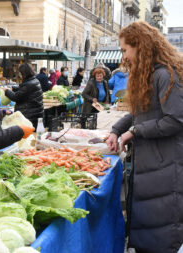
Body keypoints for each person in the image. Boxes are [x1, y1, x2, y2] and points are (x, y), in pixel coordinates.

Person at [106, 21, 183, 253]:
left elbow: (176, 120)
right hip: (153, 164)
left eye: (124, 50)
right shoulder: (151, 74)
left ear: (140, 46)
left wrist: (136, 131)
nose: (124, 56)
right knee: (148, 228)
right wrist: (116, 130)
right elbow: (139, 112)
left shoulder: (166, 75)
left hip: (166, 165)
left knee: (161, 232)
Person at [3, 63, 44, 129]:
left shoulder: (29, 84)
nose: (19, 74)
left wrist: (6, 91)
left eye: (20, 73)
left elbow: (16, 97)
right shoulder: (34, 80)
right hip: (35, 113)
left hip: (30, 115)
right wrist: (13, 88)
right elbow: (23, 88)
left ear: (24, 73)